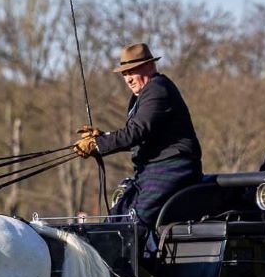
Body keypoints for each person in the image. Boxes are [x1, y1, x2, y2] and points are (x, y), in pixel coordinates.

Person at [74, 42, 202, 229]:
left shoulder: (157, 89)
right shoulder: (140, 96)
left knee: (133, 227)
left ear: (150, 66)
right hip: (149, 171)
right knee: (115, 220)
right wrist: (103, 137)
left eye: (132, 72)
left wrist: (98, 144)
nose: (128, 79)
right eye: (124, 74)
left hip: (171, 168)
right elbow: (139, 135)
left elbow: (136, 132)